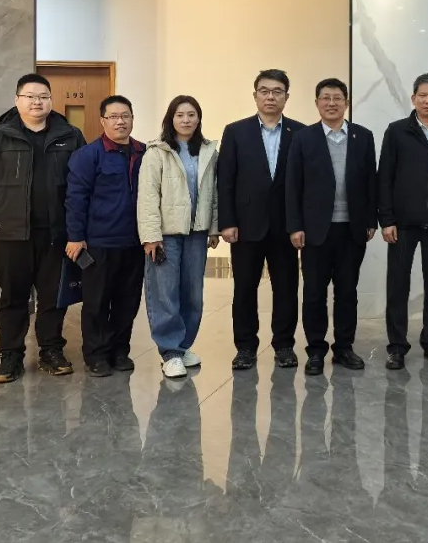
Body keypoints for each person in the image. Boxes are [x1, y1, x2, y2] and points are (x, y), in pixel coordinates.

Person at [0, 73, 87, 383]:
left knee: (53, 296)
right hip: (11, 233)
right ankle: (11, 355)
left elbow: (84, 185)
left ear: (51, 100)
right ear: (17, 100)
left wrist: (79, 231)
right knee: (13, 297)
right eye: (30, 96)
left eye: (43, 96)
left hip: (57, 234)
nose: (37, 102)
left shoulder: (70, 135)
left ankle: (51, 350)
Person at [286, 78, 377, 375]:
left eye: (337, 98)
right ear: (317, 103)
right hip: (315, 230)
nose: (331, 103)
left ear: (346, 103)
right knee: (314, 292)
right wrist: (295, 226)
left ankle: (344, 348)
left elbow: (371, 181)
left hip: (352, 228)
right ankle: (315, 351)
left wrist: (371, 220)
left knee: (347, 291)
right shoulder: (304, 138)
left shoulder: (363, 136)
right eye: (325, 98)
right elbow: (293, 184)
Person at [218, 69, 306, 371]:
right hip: (245, 225)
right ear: (255, 95)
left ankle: (284, 345)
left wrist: (299, 224)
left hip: (285, 227)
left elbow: (305, 184)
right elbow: (225, 180)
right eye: (264, 91)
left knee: (286, 289)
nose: (270, 97)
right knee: (244, 289)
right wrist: (226, 221)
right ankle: (245, 347)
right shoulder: (235, 131)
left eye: (277, 91)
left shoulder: (300, 132)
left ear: (286, 97)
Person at [378, 73, 428, 371]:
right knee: (397, 287)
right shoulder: (397, 131)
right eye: (422, 95)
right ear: (413, 98)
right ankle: (397, 347)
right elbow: (384, 177)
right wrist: (387, 219)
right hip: (402, 224)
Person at [137, 95, 220, 379]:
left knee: (192, 293)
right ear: (170, 119)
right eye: (180, 115)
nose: (186, 120)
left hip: (197, 233)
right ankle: (169, 351)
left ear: (199, 119)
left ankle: (183, 347)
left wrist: (213, 228)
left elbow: (214, 193)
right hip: (166, 235)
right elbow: (148, 197)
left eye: (191, 115)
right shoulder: (157, 152)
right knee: (165, 293)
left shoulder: (208, 151)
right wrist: (151, 236)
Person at [65, 95, 146, 377]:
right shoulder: (88, 155)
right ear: (103, 121)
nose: (120, 121)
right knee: (97, 302)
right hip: (98, 243)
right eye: (113, 116)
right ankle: (96, 355)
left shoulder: (144, 153)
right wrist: (76, 236)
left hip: (134, 243)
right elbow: (76, 199)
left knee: (128, 301)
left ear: (132, 119)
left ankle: (120, 351)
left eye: (125, 116)